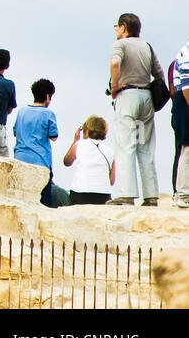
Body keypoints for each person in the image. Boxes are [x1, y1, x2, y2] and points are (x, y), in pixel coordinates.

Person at [107, 13, 162, 206]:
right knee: (146, 147)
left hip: (127, 95)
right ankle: (151, 196)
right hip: (146, 97)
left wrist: (114, 86)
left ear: (123, 27)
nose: (115, 30)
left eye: (117, 26)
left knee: (125, 146)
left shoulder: (120, 44)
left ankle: (127, 194)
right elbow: (159, 74)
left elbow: (115, 63)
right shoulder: (147, 46)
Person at [14, 78, 62, 207]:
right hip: (41, 162)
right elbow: (54, 136)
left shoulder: (21, 112)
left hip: (20, 159)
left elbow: (15, 132)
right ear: (47, 96)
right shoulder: (48, 114)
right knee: (43, 203)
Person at [63, 115, 115, 205]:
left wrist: (75, 141)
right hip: (104, 196)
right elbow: (111, 181)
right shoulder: (110, 151)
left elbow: (67, 162)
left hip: (80, 194)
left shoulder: (78, 145)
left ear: (87, 130)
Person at [172, 44, 189, 209]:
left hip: (184, 100)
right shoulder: (188, 51)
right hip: (185, 101)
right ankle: (183, 193)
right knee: (187, 147)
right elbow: (186, 85)